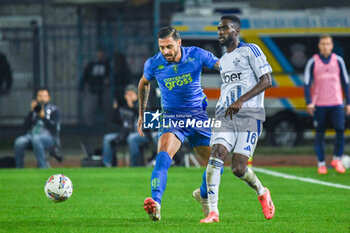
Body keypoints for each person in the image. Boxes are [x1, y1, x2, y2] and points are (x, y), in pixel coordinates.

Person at [138, 26, 220, 221]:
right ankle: (156, 203)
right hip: (172, 117)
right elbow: (143, 84)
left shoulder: (197, 55)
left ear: (179, 43)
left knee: (217, 164)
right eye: (161, 47)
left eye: (169, 46)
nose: (165, 51)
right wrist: (141, 114)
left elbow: (221, 65)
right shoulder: (153, 64)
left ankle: (202, 194)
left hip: (197, 117)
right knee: (163, 157)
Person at [199, 15, 275, 223]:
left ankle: (262, 191)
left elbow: (267, 80)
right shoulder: (223, 60)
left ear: (236, 30)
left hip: (250, 116)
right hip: (226, 115)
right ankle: (213, 212)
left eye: (224, 28)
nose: (220, 32)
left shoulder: (251, 50)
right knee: (217, 154)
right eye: (218, 29)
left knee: (238, 168)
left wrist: (241, 100)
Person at [304, 35, 349, 174]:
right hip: (320, 104)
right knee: (320, 134)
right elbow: (306, 83)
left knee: (341, 130)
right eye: (323, 44)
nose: (325, 46)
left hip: (337, 103)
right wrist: (309, 102)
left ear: (331, 46)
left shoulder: (338, 60)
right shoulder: (313, 62)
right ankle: (321, 163)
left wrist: (348, 102)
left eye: (328, 44)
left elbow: (345, 82)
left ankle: (336, 159)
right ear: (319, 46)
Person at [102, 84, 154, 167]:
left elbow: (146, 116)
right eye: (127, 94)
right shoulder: (124, 107)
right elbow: (115, 121)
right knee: (107, 138)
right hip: (126, 133)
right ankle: (107, 164)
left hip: (144, 134)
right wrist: (115, 110)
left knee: (132, 138)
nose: (129, 97)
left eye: (131, 94)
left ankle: (135, 166)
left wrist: (132, 107)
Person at [14, 87, 61, 168]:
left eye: (44, 96)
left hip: (49, 138)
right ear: (37, 98)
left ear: (49, 97)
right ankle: (19, 168)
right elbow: (25, 127)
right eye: (40, 96)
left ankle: (42, 167)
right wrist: (32, 112)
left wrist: (43, 117)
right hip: (32, 136)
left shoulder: (54, 110)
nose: (42, 98)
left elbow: (54, 128)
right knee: (19, 142)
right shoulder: (34, 111)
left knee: (36, 138)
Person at [80, 48, 111, 125]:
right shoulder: (90, 65)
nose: (100, 54)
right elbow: (85, 76)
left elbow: (109, 75)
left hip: (103, 89)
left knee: (106, 108)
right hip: (93, 89)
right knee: (91, 108)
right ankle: (90, 125)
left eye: (101, 52)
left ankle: (107, 123)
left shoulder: (106, 64)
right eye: (98, 52)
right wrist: (82, 87)